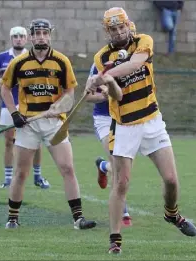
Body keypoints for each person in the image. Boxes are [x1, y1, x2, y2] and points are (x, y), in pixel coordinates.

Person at [86, 7, 196, 254]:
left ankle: (172, 214)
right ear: (107, 32)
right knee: (122, 183)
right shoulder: (102, 57)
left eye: (121, 27)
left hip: (152, 120)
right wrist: (108, 84)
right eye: (112, 29)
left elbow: (136, 63)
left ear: (129, 25)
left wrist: (106, 75)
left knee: (171, 179)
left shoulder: (143, 41)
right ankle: (115, 240)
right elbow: (118, 94)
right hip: (125, 125)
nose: (118, 32)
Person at [1, 18, 96, 230]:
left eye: (45, 33)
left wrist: (60, 106)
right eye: (37, 33)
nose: (41, 36)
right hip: (28, 124)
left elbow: (70, 92)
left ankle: (78, 219)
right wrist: (14, 112)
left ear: (50, 35)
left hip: (55, 124)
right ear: (31, 36)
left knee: (67, 168)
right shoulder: (19, 63)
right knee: (21, 173)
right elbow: (5, 88)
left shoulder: (62, 61)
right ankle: (13, 218)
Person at [0, 26, 50, 189]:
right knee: (9, 141)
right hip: (7, 104)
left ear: (26, 38)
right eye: (15, 36)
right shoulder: (2, 57)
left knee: (37, 142)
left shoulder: (32, 56)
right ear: (11, 39)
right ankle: (8, 178)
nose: (18, 39)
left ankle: (37, 176)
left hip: (29, 104)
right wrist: (0, 82)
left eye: (21, 36)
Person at [86, 62, 132, 227]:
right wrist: (104, 96)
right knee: (116, 160)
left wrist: (113, 92)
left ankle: (103, 167)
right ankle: (123, 211)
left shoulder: (133, 63)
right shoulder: (99, 64)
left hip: (124, 118)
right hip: (104, 119)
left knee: (123, 164)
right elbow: (88, 96)